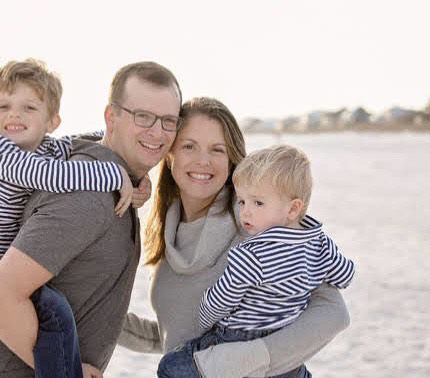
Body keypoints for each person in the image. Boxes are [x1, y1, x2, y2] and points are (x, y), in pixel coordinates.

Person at [0, 61, 183, 378]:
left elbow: (88, 302)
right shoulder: (87, 197)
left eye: (168, 122)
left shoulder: (110, 184)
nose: (156, 131)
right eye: (143, 117)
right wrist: (65, 370)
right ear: (111, 117)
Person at [118, 97, 352, 378]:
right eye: (189, 146)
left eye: (217, 149)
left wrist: (245, 359)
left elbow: (333, 312)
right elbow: (181, 334)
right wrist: (98, 320)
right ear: (169, 154)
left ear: (231, 160)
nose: (203, 161)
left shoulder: (257, 225)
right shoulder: (167, 233)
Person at [156, 144, 356, 378]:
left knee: (170, 367)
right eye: (242, 201)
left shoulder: (251, 254)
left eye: (258, 203)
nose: (246, 212)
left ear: (293, 209)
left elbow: (221, 301)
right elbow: (345, 275)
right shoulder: (320, 243)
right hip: (286, 335)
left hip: (237, 336)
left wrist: (203, 318)